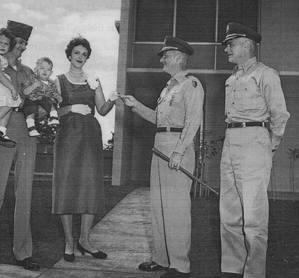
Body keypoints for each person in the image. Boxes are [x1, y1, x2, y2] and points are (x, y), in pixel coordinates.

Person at [209, 22, 290, 278]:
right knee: (229, 211)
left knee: (254, 216)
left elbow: (280, 114)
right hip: (231, 139)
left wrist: (270, 144)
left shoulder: (266, 74)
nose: (226, 50)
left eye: (230, 45)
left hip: (255, 140)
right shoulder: (232, 78)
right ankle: (233, 269)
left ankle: (254, 273)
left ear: (247, 45)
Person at [122, 36, 204, 278]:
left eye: (165, 56)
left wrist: (179, 151)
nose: (162, 60)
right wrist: (135, 104)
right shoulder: (167, 88)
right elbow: (159, 119)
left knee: (176, 208)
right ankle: (161, 258)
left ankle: (180, 265)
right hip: (160, 149)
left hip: (177, 149)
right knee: (158, 206)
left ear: (178, 57)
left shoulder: (191, 85)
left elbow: (193, 121)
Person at [0, 20, 40, 273]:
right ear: (8, 41)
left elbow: (40, 106)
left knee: (25, 194)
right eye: (19, 42)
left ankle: (23, 253)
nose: (22, 47)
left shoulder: (26, 71)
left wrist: (38, 104)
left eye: (25, 43)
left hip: (26, 131)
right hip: (2, 130)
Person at [52, 36, 118, 262]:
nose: (80, 57)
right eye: (77, 53)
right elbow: (54, 113)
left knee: (90, 185)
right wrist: (71, 107)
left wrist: (112, 99)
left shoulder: (94, 80)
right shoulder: (58, 81)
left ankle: (85, 240)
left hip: (90, 136)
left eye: (84, 54)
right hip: (68, 137)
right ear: (69, 55)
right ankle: (69, 242)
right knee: (67, 186)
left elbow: (102, 109)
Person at [22, 57, 62, 137]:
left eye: (48, 69)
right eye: (42, 68)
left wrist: (58, 96)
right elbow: (25, 92)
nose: (45, 71)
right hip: (32, 99)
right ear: (36, 69)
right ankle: (31, 127)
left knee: (50, 101)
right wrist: (34, 85)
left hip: (44, 100)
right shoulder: (32, 79)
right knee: (31, 109)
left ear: (51, 72)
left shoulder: (51, 83)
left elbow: (54, 93)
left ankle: (53, 117)